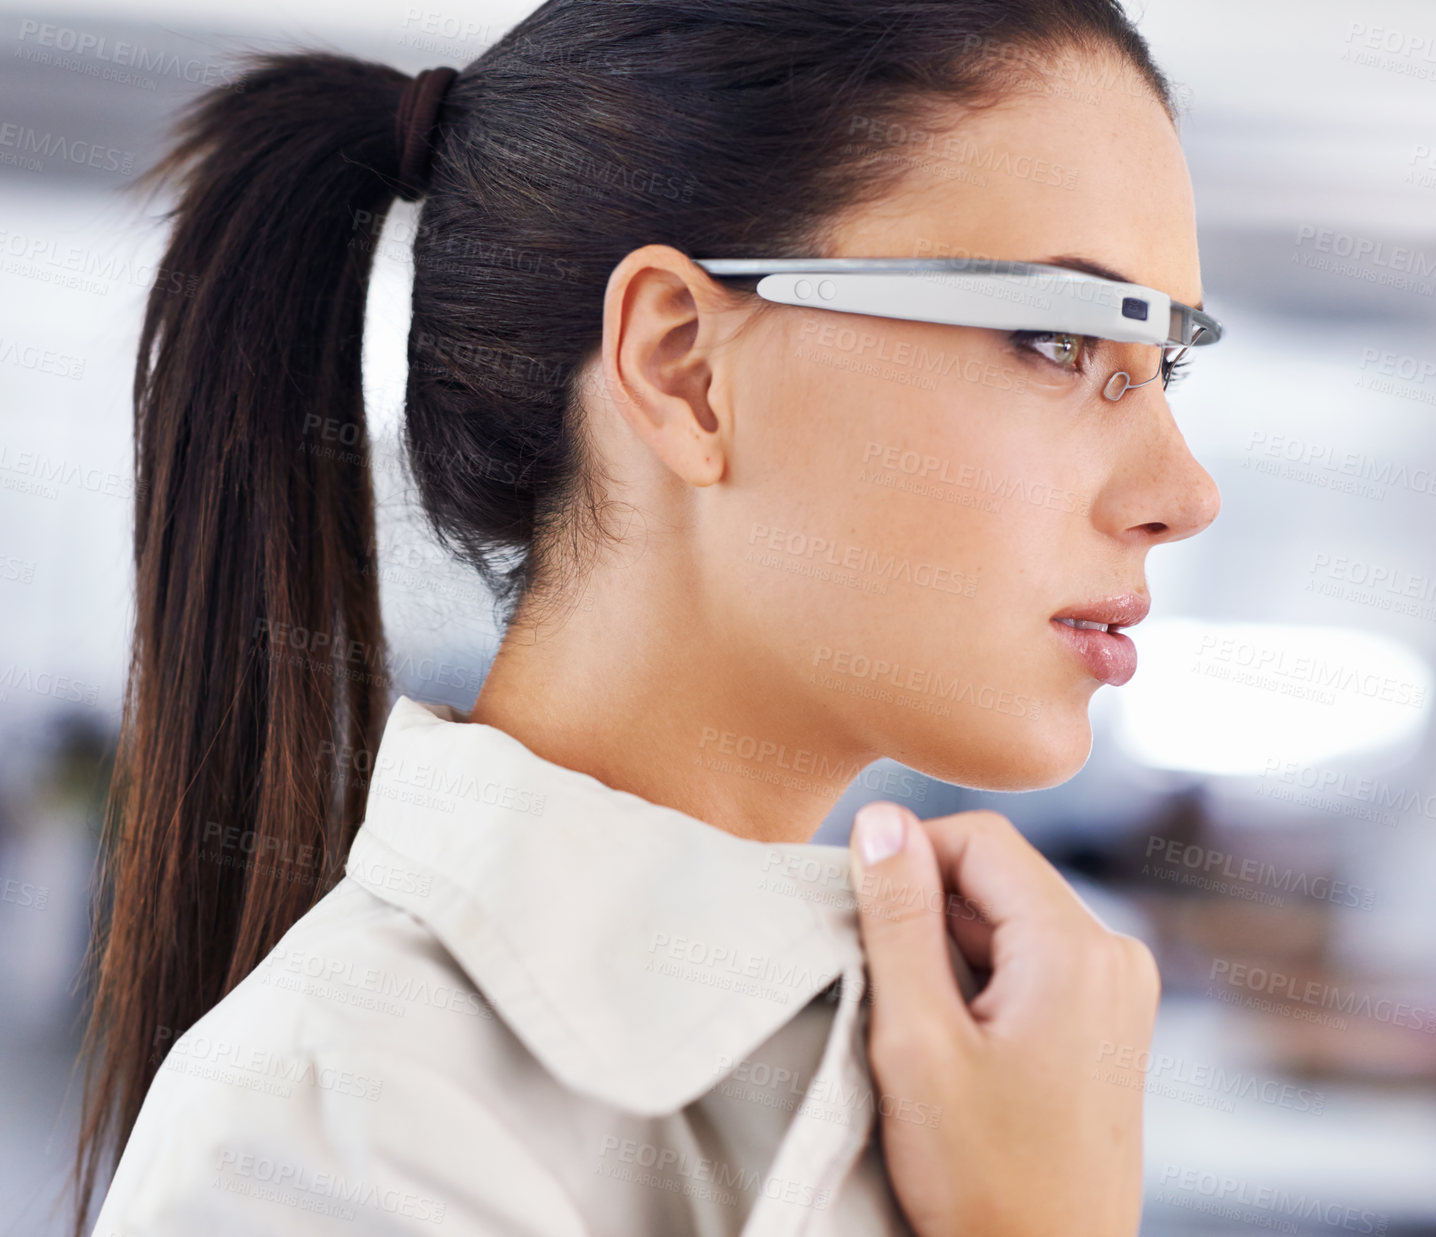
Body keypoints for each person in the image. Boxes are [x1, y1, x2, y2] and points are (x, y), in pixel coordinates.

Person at [74, 1, 1220, 1233]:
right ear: (683, 366)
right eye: (1062, 339)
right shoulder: (335, 1144)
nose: (1184, 493)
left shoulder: (958, 1055)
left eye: (1165, 369)